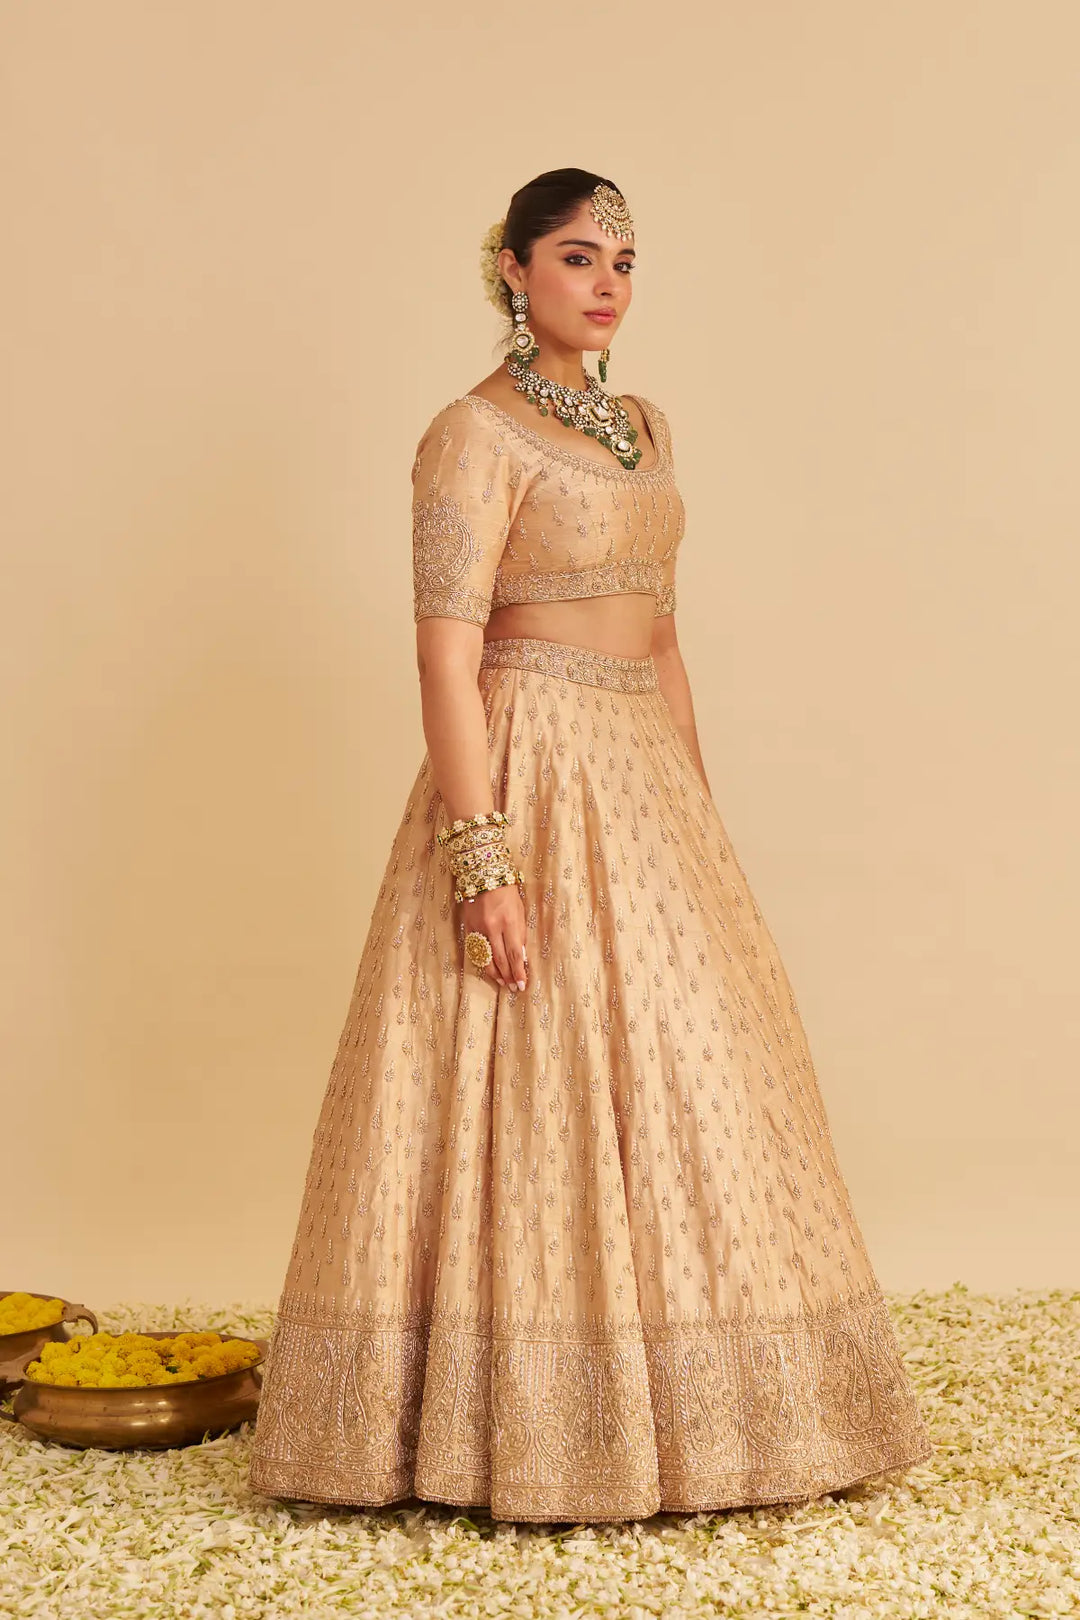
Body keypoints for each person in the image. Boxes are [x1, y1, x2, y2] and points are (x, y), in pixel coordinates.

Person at [247, 168, 933, 1523]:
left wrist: (698, 816)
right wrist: (482, 860)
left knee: (697, 1074)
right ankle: (518, 1424)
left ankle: (716, 1415)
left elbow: (666, 640)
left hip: (643, 770)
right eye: (576, 255)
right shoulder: (471, 435)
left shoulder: (644, 429)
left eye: (624, 260)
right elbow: (446, 659)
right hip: (532, 761)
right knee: (527, 1076)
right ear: (511, 269)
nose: (607, 282)